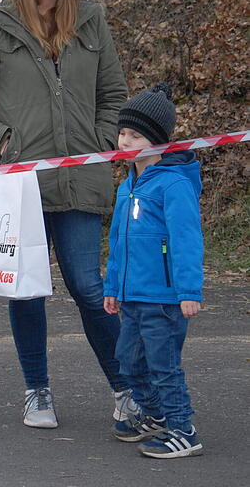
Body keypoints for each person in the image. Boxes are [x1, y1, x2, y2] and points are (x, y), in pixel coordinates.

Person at [0, 0, 133, 429]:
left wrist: (100, 142)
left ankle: (127, 389)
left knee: (88, 286)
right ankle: (37, 391)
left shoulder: (90, 17)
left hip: (82, 178)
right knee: (26, 287)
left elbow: (114, 95)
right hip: (20, 184)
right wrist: (5, 141)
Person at [104, 83, 205, 458]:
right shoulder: (127, 186)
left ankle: (183, 430)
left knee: (164, 367)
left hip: (163, 298)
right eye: (123, 132)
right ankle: (156, 414)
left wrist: (189, 291)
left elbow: (186, 240)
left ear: (157, 141)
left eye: (136, 135)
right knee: (128, 361)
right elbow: (118, 243)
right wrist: (113, 286)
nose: (125, 140)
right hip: (131, 296)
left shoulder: (174, 184)